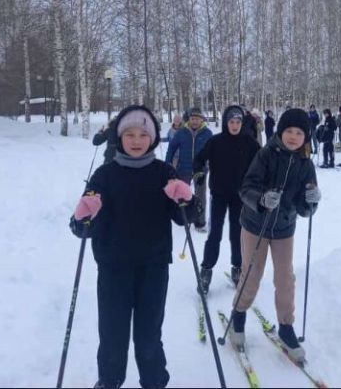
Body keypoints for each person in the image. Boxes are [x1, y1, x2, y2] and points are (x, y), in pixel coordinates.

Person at [69, 105, 200, 389]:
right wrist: (83, 217)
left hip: (153, 268)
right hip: (113, 267)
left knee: (148, 334)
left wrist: (187, 201)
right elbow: (82, 226)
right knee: (113, 332)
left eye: (143, 134)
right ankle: (109, 381)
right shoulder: (105, 176)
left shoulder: (164, 173)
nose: (137, 140)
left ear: (152, 138)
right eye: (129, 134)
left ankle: (154, 382)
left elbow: (185, 218)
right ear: (120, 137)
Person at [229, 108, 320, 363]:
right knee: (252, 273)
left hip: (284, 228)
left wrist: (312, 201)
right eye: (289, 131)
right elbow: (246, 188)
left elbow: (305, 206)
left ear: (305, 137)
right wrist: (261, 199)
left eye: (299, 132)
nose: (293, 136)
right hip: (255, 224)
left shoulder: (306, 164)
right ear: (280, 132)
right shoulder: (266, 154)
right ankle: (239, 315)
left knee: (285, 277)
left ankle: (286, 326)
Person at [193, 105, 260, 293]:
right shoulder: (216, 142)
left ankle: (237, 268)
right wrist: (198, 171)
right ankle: (206, 270)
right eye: (231, 121)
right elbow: (199, 159)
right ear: (226, 122)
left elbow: (263, 161)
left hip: (241, 197)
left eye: (238, 122)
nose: (235, 125)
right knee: (215, 234)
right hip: (219, 196)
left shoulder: (249, 142)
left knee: (237, 235)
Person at [165, 107, 213, 230]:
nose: (195, 121)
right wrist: (168, 163)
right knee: (182, 195)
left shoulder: (207, 133)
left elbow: (213, 151)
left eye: (197, 119)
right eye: (192, 119)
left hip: (200, 170)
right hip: (184, 169)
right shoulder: (181, 132)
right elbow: (171, 148)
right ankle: (184, 218)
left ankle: (200, 221)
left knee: (200, 195)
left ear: (201, 119)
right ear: (189, 119)